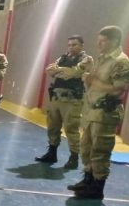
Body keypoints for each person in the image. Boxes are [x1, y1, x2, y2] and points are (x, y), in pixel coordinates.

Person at [69, 26, 129, 199]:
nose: (99, 45)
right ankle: (87, 180)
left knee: (100, 151)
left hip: (105, 113)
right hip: (91, 110)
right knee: (86, 148)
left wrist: (93, 81)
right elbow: (94, 82)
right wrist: (88, 80)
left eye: (103, 41)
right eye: (99, 41)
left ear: (115, 41)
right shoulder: (102, 58)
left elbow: (119, 90)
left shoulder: (121, 61)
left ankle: (97, 187)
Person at [36, 35, 93, 169]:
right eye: (69, 45)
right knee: (52, 127)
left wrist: (60, 71)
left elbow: (75, 73)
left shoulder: (86, 59)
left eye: (75, 45)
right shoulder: (63, 57)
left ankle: (73, 158)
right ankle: (52, 153)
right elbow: (49, 70)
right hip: (56, 98)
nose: (71, 47)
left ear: (82, 46)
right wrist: (64, 72)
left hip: (72, 100)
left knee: (71, 129)